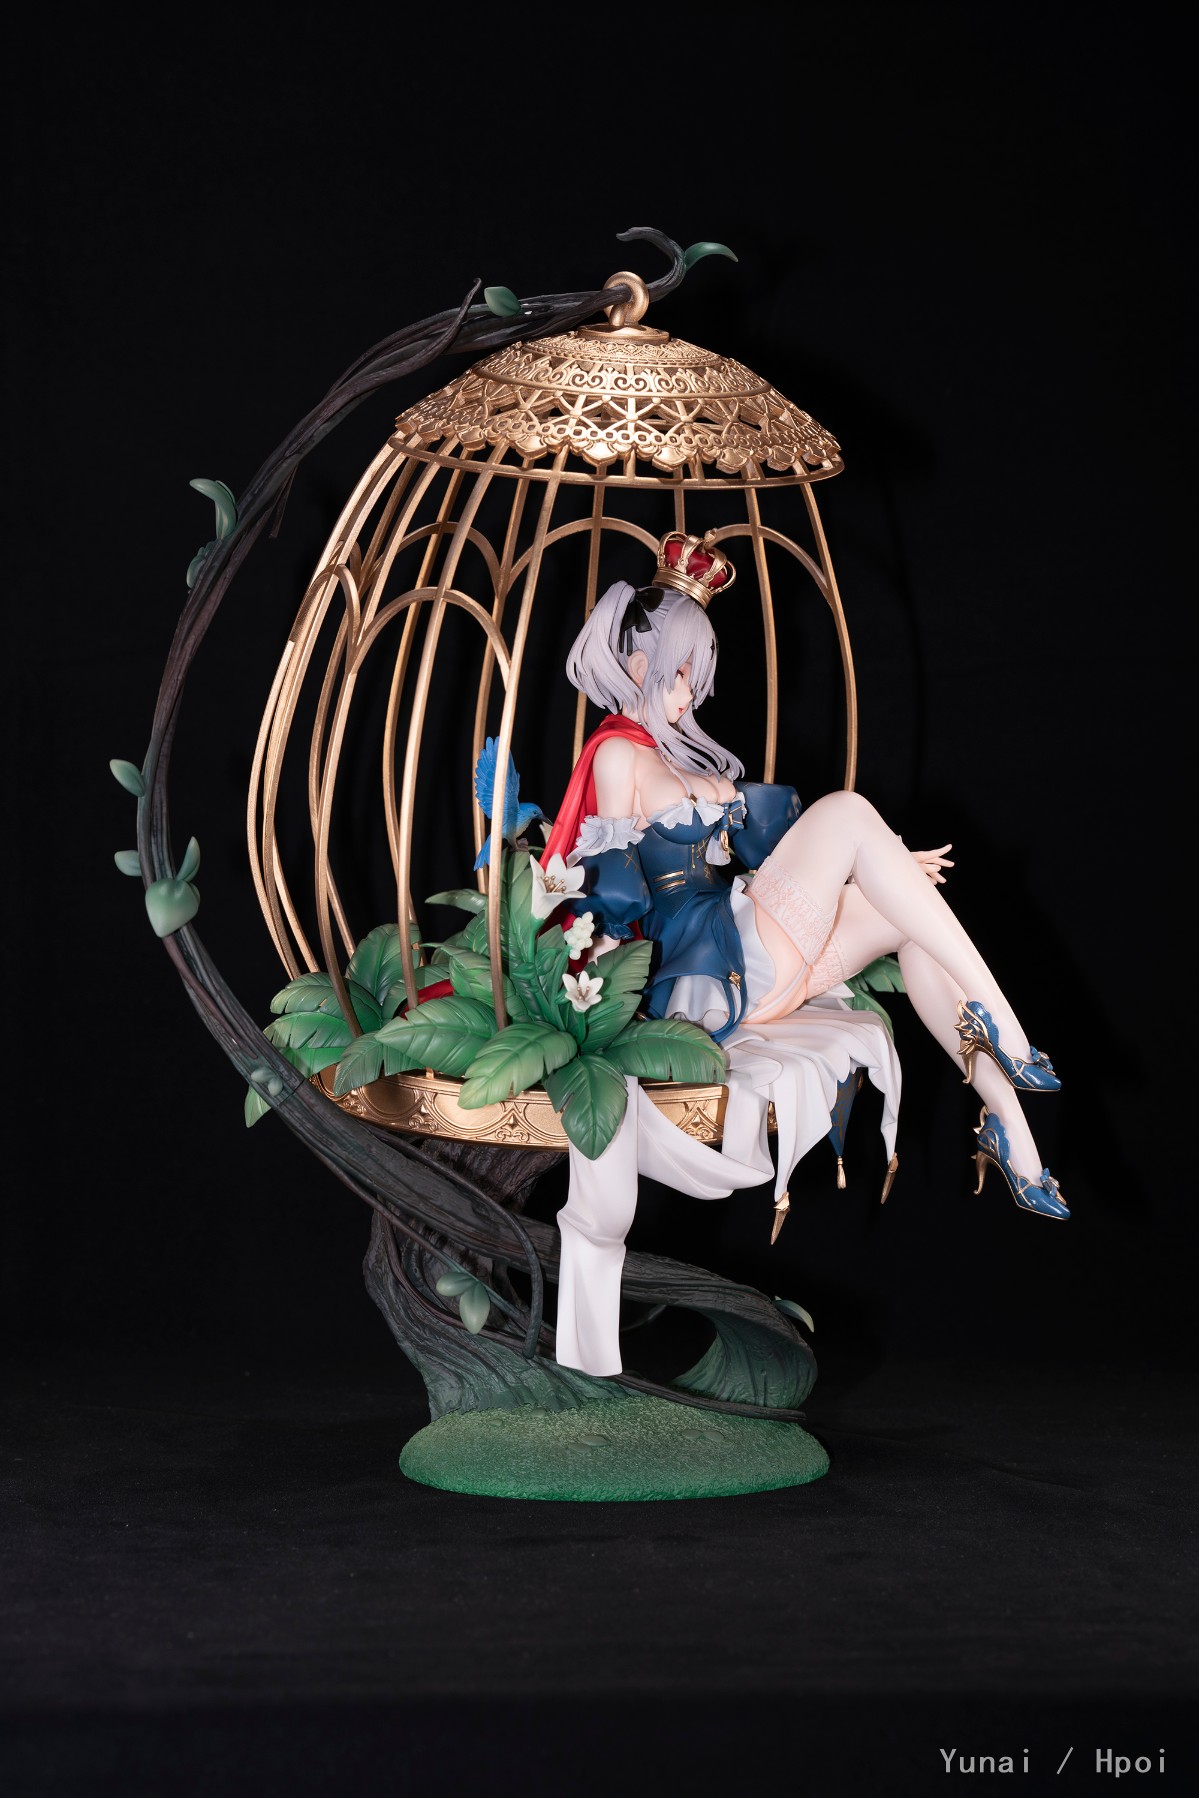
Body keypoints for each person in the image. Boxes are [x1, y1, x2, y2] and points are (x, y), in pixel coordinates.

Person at [543, 529, 1066, 1222]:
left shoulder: (674, 758)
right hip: (703, 968)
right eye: (680, 671)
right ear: (640, 665)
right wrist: (596, 979)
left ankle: (1011, 1133)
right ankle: (1000, 1019)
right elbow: (611, 883)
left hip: (746, 941)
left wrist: (882, 868)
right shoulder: (617, 753)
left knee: (908, 919)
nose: (690, 691)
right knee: (846, 808)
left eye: (696, 672)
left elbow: (767, 858)